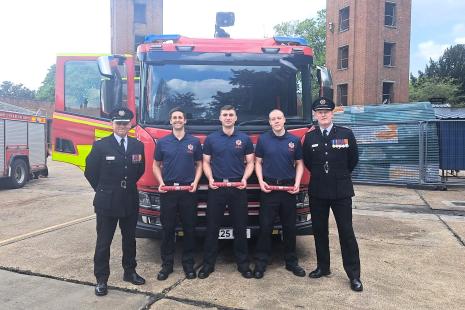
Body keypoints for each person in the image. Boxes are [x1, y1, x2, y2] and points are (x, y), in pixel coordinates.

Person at [302, 97, 363, 292]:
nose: (323, 114)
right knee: (320, 231)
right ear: (315, 114)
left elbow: (352, 160)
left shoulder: (346, 133)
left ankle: (354, 275)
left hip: (341, 191)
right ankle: (323, 267)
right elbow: (308, 162)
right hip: (318, 191)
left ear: (332, 113)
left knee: (346, 233)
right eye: (319, 112)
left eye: (326, 111)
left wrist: (339, 176)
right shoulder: (309, 137)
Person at [84, 107, 146, 296]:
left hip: (129, 199)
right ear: (112, 124)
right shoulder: (101, 145)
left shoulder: (137, 145)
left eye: (125, 123)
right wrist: (103, 189)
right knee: (104, 241)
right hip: (107, 201)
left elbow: (140, 169)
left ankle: (130, 271)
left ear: (130, 125)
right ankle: (101, 279)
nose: (121, 126)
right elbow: (90, 172)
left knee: (130, 239)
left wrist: (124, 187)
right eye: (118, 123)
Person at [198, 105, 255, 279]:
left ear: (236, 118)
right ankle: (208, 265)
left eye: (231, 115)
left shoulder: (244, 138)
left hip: (238, 188)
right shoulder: (211, 139)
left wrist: (245, 179)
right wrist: (210, 179)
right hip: (217, 189)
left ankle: (243, 265)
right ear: (220, 118)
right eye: (225, 115)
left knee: (240, 227)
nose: (228, 117)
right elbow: (206, 162)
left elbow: (251, 162)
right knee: (212, 227)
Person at [253, 109, 306, 279]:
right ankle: (261, 263)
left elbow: (299, 164)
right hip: (269, 189)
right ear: (269, 122)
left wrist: (297, 184)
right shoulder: (263, 139)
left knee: (289, 228)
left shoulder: (294, 140)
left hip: (288, 189)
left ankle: (292, 262)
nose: (276, 121)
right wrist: (261, 182)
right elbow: (258, 162)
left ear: (284, 120)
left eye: (279, 118)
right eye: (272, 119)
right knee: (265, 227)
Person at [152, 107, 203, 281]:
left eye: (180, 117)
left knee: (189, 229)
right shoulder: (163, 142)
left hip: (188, 191)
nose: (177, 120)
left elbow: (199, 164)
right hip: (169, 192)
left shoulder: (194, 142)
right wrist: (161, 183)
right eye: (174, 117)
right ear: (170, 121)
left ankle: (188, 264)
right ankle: (167, 265)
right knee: (167, 230)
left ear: (185, 121)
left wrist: (195, 183)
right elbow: (155, 165)